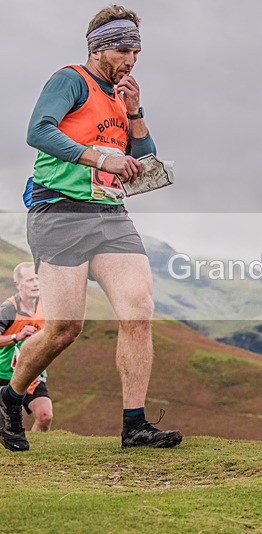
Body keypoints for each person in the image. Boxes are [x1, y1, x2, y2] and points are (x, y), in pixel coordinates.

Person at [0, 5, 182, 452]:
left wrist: (135, 112)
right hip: (59, 210)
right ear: (98, 49)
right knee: (64, 328)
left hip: (109, 214)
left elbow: (143, 161)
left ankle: (134, 424)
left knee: (138, 309)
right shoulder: (70, 80)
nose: (131, 61)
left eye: (136, 52)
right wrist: (100, 158)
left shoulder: (121, 96)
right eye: (123, 51)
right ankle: (10, 396)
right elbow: (38, 131)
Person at [0, 263, 52, 432]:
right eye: (30, 280)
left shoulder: (46, 306)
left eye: (37, 279)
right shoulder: (8, 309)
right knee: (8, 423)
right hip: (4, 375)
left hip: (31, 374)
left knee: (45, 416)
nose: (36, 284)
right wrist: (17, 336)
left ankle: (35, 448)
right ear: (18, 284)